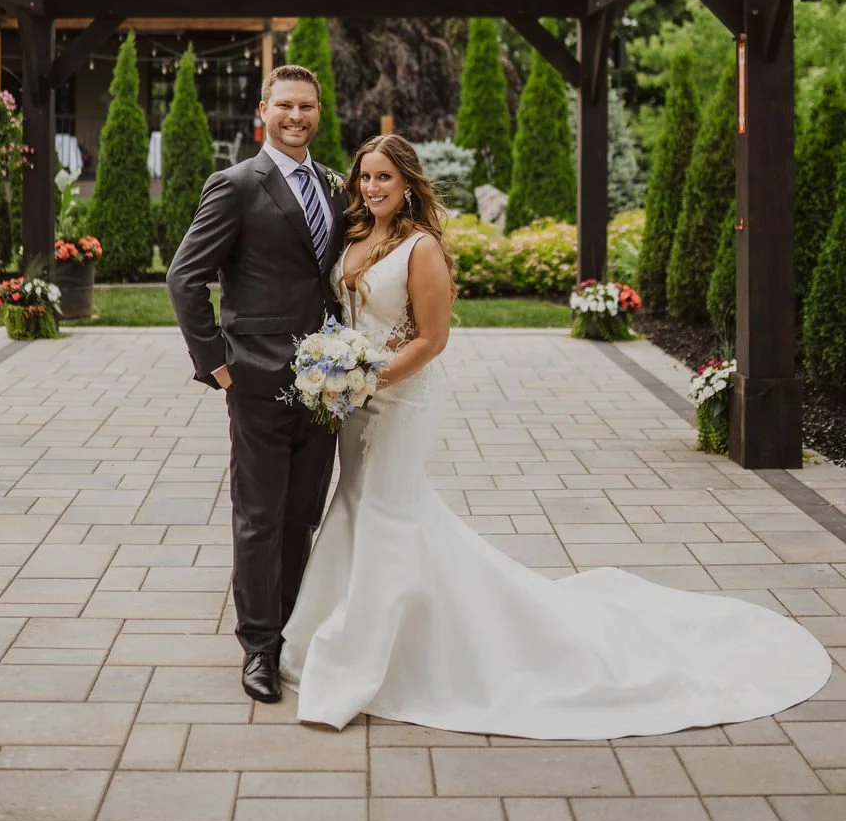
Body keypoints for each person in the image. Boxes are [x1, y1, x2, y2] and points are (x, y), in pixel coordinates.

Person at [280, 133, 832, 738]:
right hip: (355, 401)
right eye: (365, 177)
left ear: (409, 183)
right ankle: (376, 632)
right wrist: (336, 372)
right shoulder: (356, 235)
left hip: (401, 399)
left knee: (386, 510)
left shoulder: (421, 248)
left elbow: (432, 340)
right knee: (362, 505)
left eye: (385, 177)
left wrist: (369, 376)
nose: (372, 187)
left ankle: (361, 661)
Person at [167, 65, 347, 704]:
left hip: (328, 384)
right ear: (263, 110)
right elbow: (185, 276)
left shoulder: (332, 184)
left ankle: (294, 631)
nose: (296, 117)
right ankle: (259, 650)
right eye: (285, 106)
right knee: (260, 517)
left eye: (307, 107)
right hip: (258, 378)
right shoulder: (238, 185)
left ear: (318, 113)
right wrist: (214, 359)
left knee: (302, 516)